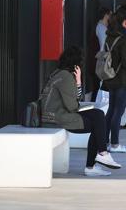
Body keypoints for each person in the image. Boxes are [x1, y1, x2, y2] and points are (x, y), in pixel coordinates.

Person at [41, 46, 121, 176]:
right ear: (76, 63)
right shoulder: (65, 77)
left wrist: (78, 82)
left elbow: (74, 100)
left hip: (56, 114)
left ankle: (99, 157)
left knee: (98, 116)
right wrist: (77, 85)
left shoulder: (58, 73)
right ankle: (97, 159)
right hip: (57, 117)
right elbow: (72, 106)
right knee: (98, 121)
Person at [103, 8, 126, 153]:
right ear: (125, 22)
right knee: (118, 112)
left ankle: (103, 141)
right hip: (122, 79)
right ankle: (115, 144)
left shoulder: (109, 37)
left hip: (110, 78)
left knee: (111, 110)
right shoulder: (123, 39)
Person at [89, 7, 111, 102]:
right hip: (100, 62)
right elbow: (103, 45)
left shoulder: (101, 27)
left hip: (98, 61)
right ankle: (95, 106)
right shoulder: (101, 27)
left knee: (97, 86)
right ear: (106, 15)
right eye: (110, 14)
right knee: (98, 86)